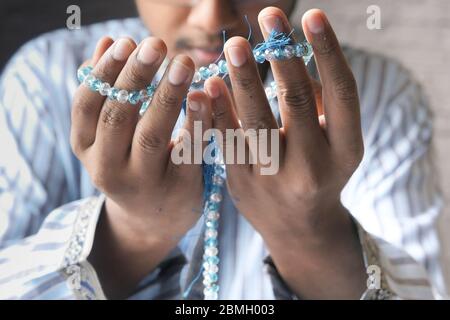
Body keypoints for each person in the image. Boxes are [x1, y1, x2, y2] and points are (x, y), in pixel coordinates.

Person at [0, 0, 446, 300]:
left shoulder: (380, 97)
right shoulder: (47, 78)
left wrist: (310, 232)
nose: (214, 15)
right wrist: (132, 232)